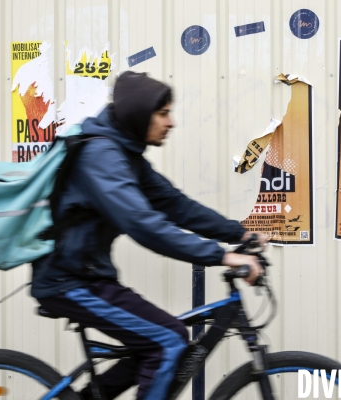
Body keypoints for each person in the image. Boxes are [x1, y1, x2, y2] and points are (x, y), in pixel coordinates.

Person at [31, 71, 267, 400]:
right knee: (168, 339)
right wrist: (223, 255)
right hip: (67, 282)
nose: (171, 122)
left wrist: (238, 234)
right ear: (139, 115)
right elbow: (144, 225)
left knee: (157, 342)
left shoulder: (125, 156)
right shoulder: (100, 157)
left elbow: (177, 206)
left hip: (89, 277)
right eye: (163, 113)